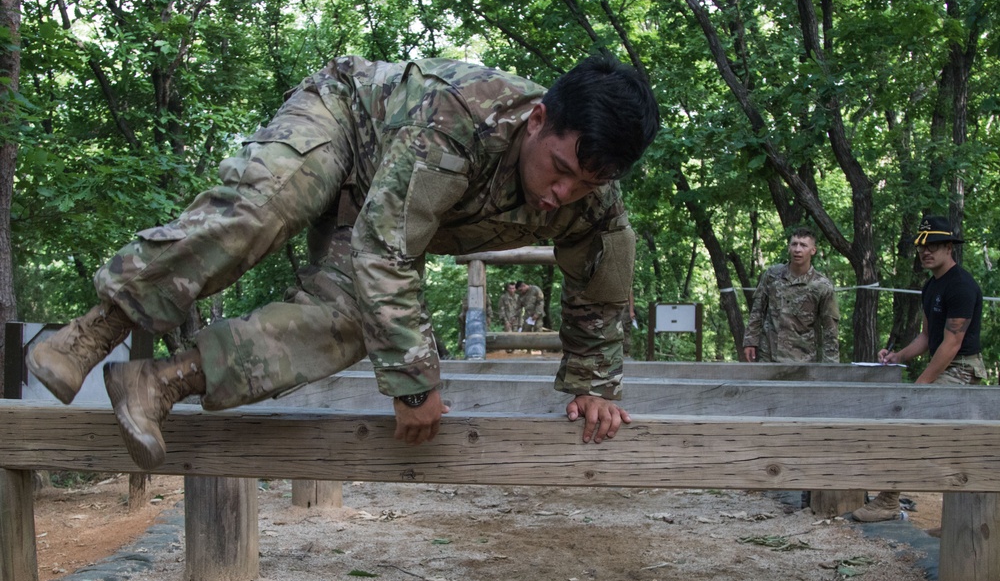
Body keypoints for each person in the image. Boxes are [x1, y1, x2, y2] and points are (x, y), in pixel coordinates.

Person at [26, 54, 659, 471]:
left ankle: (157, 384)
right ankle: (89, 335)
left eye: (585, 185)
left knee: (359, 321)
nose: (562, 195)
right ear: (539, 120)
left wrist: (593, 386)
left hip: (383, 207)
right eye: (561, 171)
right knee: (266, 207)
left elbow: (602, 285)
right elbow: (388, 252)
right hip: (348, 121)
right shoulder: (460, 119)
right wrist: (416, 384)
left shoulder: (594, 197)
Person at [853, 215, 986, 522]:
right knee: (949, 441)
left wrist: (923, 384)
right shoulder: (931, 285)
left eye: (934, 245)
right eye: (922, 246)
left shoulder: (962, 286)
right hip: (945, 364)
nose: (926, 251)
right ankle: (957, 519)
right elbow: (927, 337)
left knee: (911, 421)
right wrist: (897, 356)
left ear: (949, 247)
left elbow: (952, 344)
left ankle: (888, 500)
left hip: (963, 369)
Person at [743, 227, 840, 363]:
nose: (797, 249)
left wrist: (830, 365)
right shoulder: (772, 275)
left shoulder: (821, 286)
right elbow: (757, 310)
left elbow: (830, 329)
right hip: (768, 356)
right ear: (789, 247)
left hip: (802, 359)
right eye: (794, 244)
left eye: (803, 245)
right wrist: (750, 341)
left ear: (813, 250)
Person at [497, 281, 521, 353]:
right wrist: (505, 321)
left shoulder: (518, 297)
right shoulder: (503, 297)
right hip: (507, 319)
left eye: (513, 288)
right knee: (508, 335)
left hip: (516, 320)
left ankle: (514, 349)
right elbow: (501, 310)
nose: (512, 290)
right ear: (507, 289)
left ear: (515, 289)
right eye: (510, 288)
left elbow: (520, 309)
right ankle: (508, 349)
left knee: (515, 335)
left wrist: (520, 321)